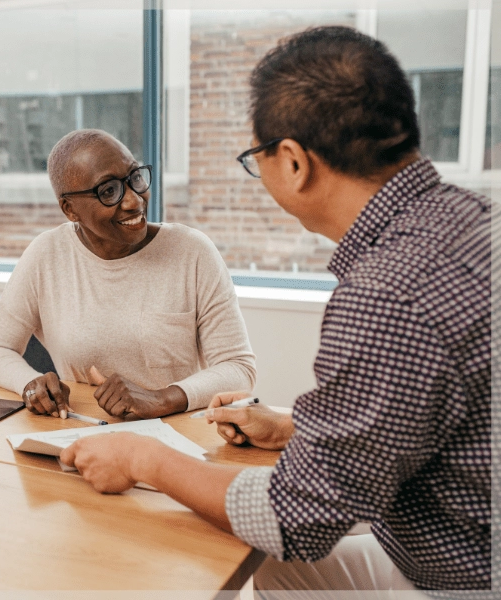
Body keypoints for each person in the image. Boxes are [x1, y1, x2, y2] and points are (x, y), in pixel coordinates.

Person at [60, 26, 490, 592]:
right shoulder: (474, 221)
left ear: (292, 162)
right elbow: (426, 419)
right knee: (273, 572)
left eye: (254, 156)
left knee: (266, 552)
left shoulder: (388, 295)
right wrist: (296, 430)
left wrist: (146, 460)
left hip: (467, 577)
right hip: (465, 541)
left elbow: (297, 520)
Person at [0, 129, 256, 420]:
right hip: (80, 430)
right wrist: (30, 384)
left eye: (135, 178)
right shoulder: (46, 255)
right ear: (69, 209)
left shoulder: (193, 252)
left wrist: (162, 399)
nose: (134, 201)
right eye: (108, 191)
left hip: (175, 434)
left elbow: (238, 369)